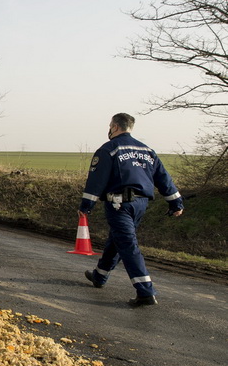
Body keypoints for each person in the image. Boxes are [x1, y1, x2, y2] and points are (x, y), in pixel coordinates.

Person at [79, 113, 184, 307]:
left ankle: (145, 291)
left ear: (116, 127)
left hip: (119, 204)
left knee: (127, 243)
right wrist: (176, 203)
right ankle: (99, 276)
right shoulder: (147, 151)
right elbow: (163, 178)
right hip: (141, 204)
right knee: (118, 239)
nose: (109, 129)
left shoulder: (109, 149)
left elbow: (97, 180)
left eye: (110, 126)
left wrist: (87, 205)